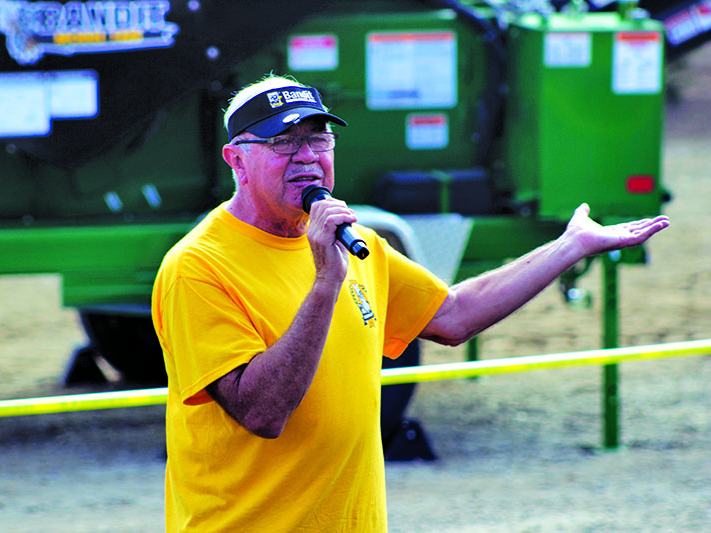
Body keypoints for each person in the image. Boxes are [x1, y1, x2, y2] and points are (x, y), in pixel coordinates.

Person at [151, 74, 669, 532]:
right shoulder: (197, 268)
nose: (308, 157)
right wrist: (326, 285)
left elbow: (453, 315)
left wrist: (569, 246)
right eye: (284, 142)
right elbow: (262, 411)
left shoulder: (359, 243)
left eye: (319, 139)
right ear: (236, 159)